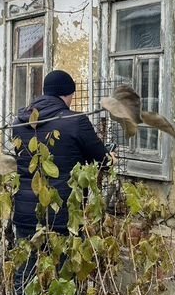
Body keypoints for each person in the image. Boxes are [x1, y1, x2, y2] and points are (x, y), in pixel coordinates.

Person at [12, 69, 108, 241]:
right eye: (72, 95)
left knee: (28, 258)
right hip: (63, 216)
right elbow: (102, 160)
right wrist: (111, 157)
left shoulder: (19, 122)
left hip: (25, 214)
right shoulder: (77, 121)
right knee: (64, 258)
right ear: (67, 94)